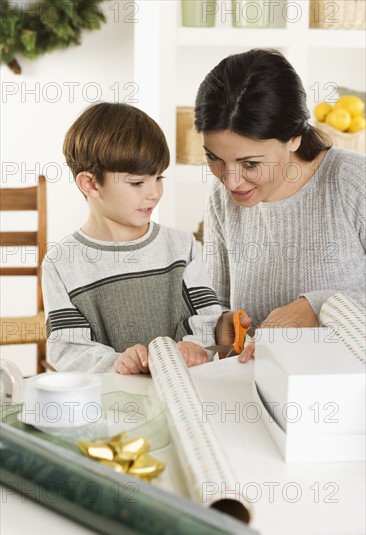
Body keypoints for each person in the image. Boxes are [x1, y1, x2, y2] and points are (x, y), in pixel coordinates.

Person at [194, 48, 366, 363]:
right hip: (258, 392)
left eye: (250, 163)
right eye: (214, 157)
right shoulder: (221, 199)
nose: (230, 181)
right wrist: (223, 326)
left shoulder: (354, 182)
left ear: (293, 138)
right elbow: (215, 304)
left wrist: (320, 307)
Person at [42, 102, 222, 374]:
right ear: (90, 184)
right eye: (137, 183)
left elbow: (208, 319)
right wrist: (116, 363)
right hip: (108, 405)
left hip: (183, 394)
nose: (153, 193)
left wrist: (195, 347)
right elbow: (67, 348)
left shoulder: (183, 247)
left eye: (158, 177)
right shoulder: (61, 262)